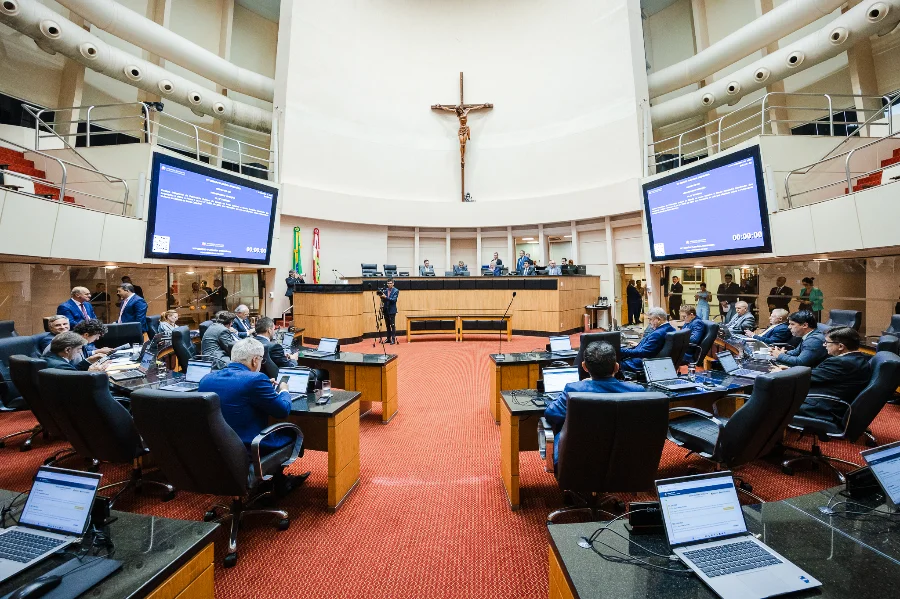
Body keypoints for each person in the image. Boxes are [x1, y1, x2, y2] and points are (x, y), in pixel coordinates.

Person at [197, 337, 308, 494]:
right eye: (261, 360)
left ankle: (274, 482)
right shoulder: (256, 379)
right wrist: (284, 390)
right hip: (249, 448)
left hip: (216, 448)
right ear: (255, 360)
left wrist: (264, 388)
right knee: (291, 434)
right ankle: (280, 483)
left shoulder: (206, 379)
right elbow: (282, 410)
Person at [543, 341, 644, 467]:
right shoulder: (637, 391)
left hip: (578, 461)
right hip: (625, 458)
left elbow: (551, 414)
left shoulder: (574, 389)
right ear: (617, 367)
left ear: (584, 367)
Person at [795, 327, 871, 427]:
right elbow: (819, 374)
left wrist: (784, 372)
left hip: (824, 408)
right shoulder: (857, 358)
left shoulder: (841, 363)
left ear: (840, 346)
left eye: (827, 342)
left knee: (774, 398)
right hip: (830, 400)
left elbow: (807, 378)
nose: (824, 345)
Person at [620, 307, 674, 371]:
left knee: (612, 363)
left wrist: (622, 350)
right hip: (655, 360)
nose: (649, 322)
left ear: (658, 319)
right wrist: (639, 345)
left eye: (650, 319)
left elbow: (644, 352)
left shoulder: (657, 334)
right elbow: (653, 347)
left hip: (641, 363)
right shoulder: (671, 329)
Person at [44, 331, 109, 372]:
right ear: (67, 350)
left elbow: (74, 370)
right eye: (78, 349)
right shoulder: (62, 367)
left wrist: (88, 360)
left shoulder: (49, 356)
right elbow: (79, 385)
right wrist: (91, 373)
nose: (79, 352)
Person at [378, 279, 399, 344]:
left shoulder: (396, 290)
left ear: (393, 284)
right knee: (387, 325)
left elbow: (393, 300)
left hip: (392, 310)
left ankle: (393, 339)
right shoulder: (385, 290)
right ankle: (388, 338)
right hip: (386, 309)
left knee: (392, 325)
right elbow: (384, 300)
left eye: (390, 283)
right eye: (388, 283)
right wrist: (381, 297)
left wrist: (385, 297)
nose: (389, 284)